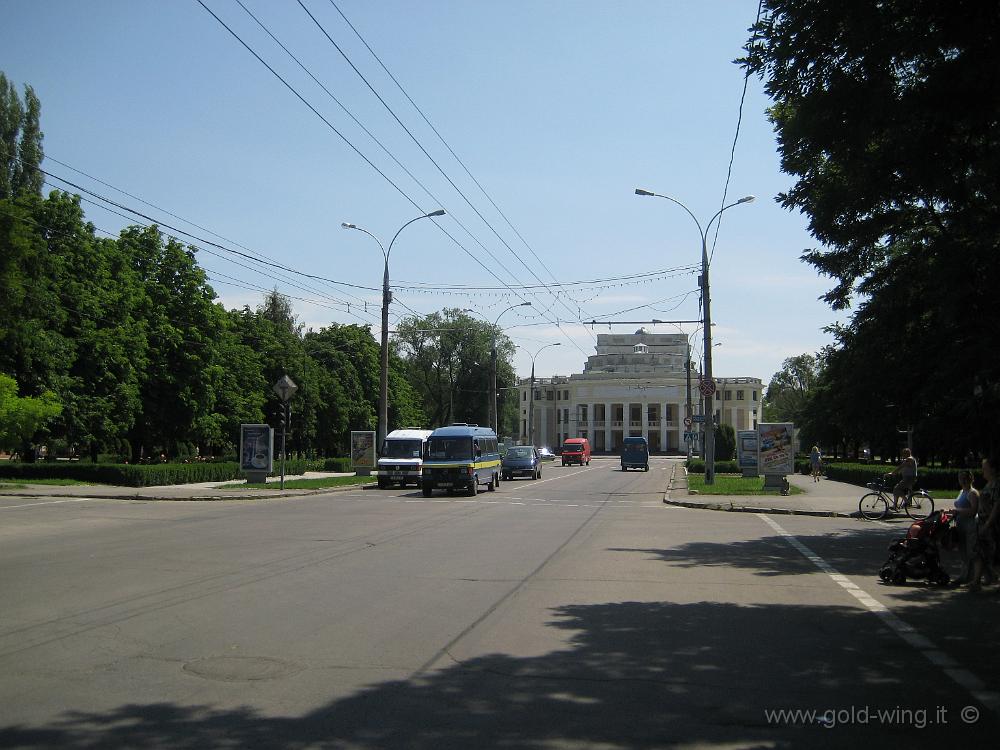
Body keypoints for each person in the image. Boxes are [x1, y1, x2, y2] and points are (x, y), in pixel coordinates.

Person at [968, 455, 1000, 592]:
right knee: (979, 552)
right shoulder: (989, 483)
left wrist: (987, 524)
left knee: (994, 553)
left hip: (992, 526)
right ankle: (977, 581)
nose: (983, 471)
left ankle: (991, 577)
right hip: (982, 524)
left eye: (985, 468)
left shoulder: (997, 484)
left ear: (993, 469)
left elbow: (997, 507)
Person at [950, 470, 979, 586]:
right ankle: (966, 575)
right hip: (960, 524)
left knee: (971, 551)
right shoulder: (962, 491)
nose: (962, 481)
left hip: (970, 525)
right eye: (960, 478)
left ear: (970, 479)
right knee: (963, 551)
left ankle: (970, 577)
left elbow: (973, 511)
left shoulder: (972, 493)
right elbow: (959, 506)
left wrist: (957, 511)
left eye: (964, 478)